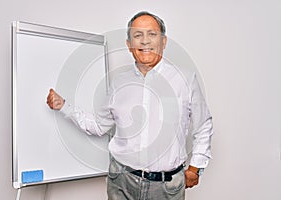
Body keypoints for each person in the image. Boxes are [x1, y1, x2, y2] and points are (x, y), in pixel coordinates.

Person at [47, 11, 213, 200]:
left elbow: (204, 125)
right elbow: (99, 126)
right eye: (137, 35)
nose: (145, 41)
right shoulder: (119, 83)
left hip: (166, 188)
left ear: (164, 42)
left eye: (152, 34)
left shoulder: (185, 79)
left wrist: (196, 167)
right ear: (129, 45)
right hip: (121, 182)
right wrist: (64, 106)